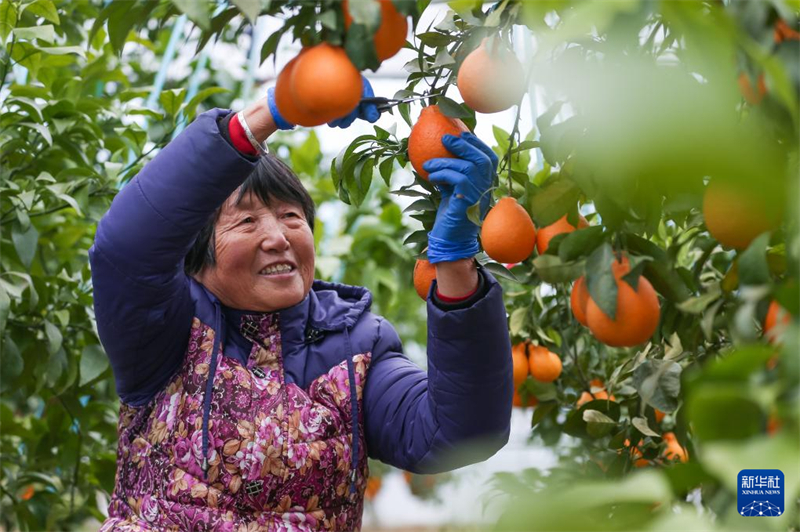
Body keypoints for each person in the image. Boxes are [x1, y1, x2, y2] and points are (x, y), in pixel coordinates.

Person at [90, 75, 513, 531]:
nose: (278, 237)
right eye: (247, 221)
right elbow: (126, 249)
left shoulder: (356, 346)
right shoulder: (168, 333)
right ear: (195, 257)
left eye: (292, 216)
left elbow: (460, 433)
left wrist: (455, 265)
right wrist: (270, 115)